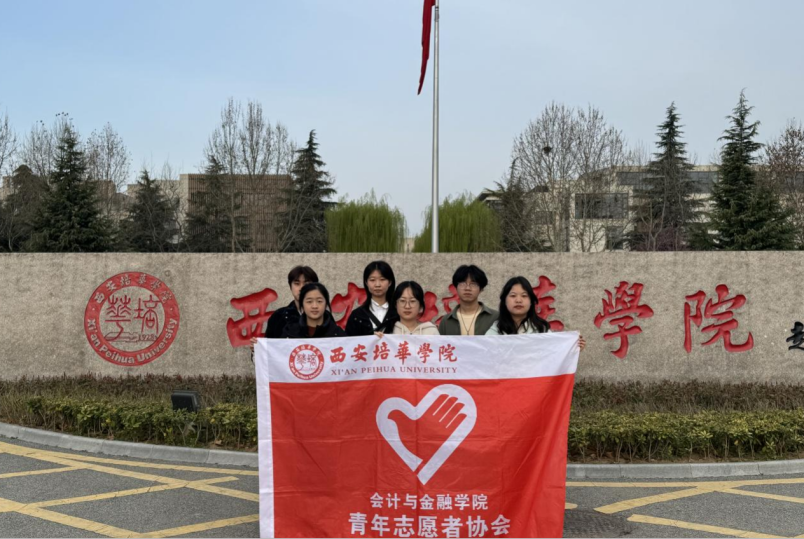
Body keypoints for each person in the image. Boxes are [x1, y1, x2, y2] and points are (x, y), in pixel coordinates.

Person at [486, 276, 586, 350]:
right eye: (513, 296)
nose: (518, 300)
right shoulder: (495, 329)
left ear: (531, 301)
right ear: (504, 301)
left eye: (524, 296)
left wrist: (573, 347)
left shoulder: (541, 329)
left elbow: (555, 353)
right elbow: (484, 354)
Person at [438, 265, 498, 336]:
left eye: (473, 284)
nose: (467, 288)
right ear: (456, 287)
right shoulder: (446, 321)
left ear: (481, 289)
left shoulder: (496, 317)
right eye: (462, 283)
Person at [264, 266, 319, 339]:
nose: (301, 288)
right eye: (297, 283)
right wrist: (257, 345)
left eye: (306, 284)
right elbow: (269, 344)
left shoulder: (325, 316)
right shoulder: (278, 316)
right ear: (290, 287)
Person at [346, 261, 399, 336]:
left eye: (382, 279)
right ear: (366, 282)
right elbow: (349, 341)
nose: (377, 284)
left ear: (390, 282)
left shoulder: (399, 313)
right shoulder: (357, 316)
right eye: (372, 280)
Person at [282, 283, 347, 338]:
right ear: (302, 304)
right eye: (309, 301)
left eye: (319, 301)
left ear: (326, 304)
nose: (314, 306)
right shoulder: (290, 332)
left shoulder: (337, 334)